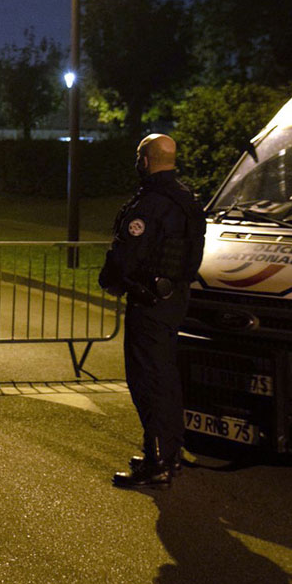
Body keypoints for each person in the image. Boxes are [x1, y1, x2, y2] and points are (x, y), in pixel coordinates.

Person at [99, 133, 206, 489]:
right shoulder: (187, 199)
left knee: (147, 380)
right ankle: (170, 452)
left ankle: (157, 460)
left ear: (145, 160)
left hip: (149, 302)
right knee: (165, 375)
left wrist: (110, 279)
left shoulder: (150, 204)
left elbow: (128, 254)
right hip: (175, 298)